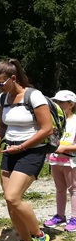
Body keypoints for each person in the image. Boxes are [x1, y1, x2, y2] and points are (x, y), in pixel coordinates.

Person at [0, 59, 52, 241]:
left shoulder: (34, 96)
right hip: (10, 152)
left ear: (13, 78)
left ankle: (39, 235)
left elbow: (47, 129)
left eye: (1, 83)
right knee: (10, 203)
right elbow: (2, 125)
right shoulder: (3, 99)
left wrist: (23, 146)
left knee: (13, 197)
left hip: (31, 152)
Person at [44, 90, 76, 232]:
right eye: (55, 102)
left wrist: (65, 148)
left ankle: (74, 218)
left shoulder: (74, 121)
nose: (57, 105)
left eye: (61, 102)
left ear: (71, 104)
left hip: (70, 162)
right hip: (55, 160)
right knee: (60, 189)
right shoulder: (53, 120)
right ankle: (60, 216)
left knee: (73, 189)